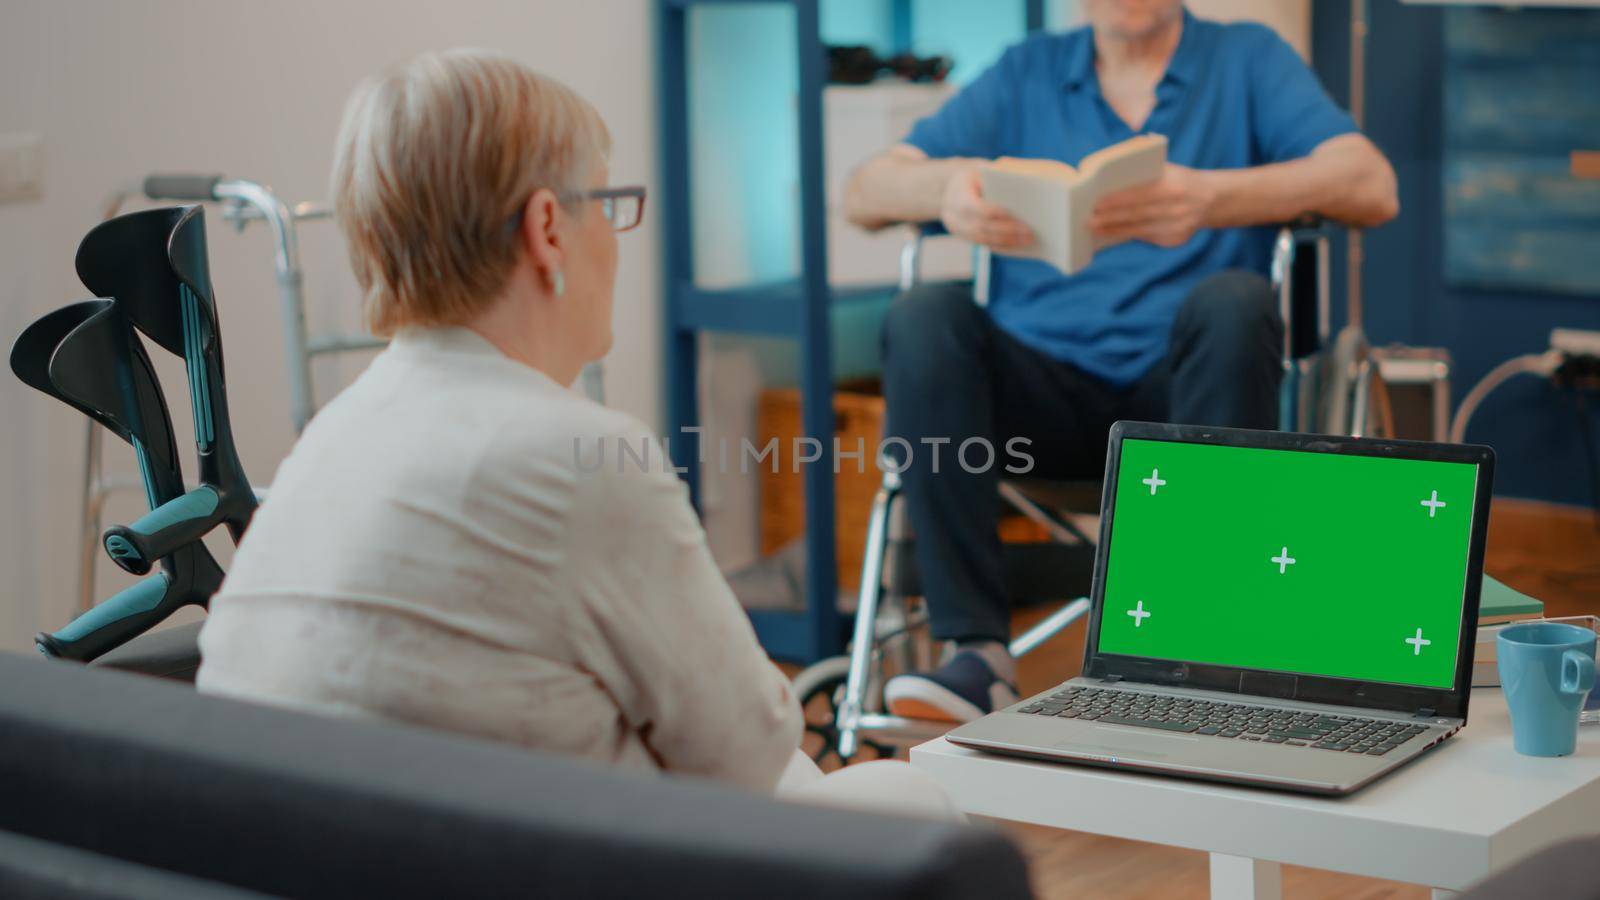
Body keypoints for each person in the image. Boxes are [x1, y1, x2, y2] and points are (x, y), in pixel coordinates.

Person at [196, 49, 955, 820]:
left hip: (290, 855)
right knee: (918, 800)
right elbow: (748, 758)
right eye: (608, 203)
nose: (617, 239)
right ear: (549, 229)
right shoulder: (578, 461)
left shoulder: (330, 439)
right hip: (505, 863)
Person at [843, 0, 1400, 723]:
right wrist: (946, 192)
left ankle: (1192, 643)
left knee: (1238, 300)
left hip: (1187, 401)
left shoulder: (1246, 59)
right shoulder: (1028, 70)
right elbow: (864, 192)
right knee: (923, 315)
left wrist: (1213, 198)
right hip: (1037, 399)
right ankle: (976, 655)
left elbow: (1373, 185)